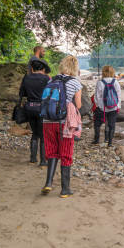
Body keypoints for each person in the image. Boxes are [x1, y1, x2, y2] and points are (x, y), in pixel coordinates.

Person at [41, 55, 82, 198]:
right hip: (64, 123)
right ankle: (65, 189)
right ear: (75, 67)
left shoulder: (52, 79)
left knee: (52, 152)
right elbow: (78, 105)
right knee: (65, 153)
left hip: (47, 121)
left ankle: (48, 183)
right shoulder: (75, 82)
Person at [18, 60, 50, 165]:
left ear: (32, 69)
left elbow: (21, 93)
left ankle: (33, 158)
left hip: (30, 108)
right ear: (43, 69)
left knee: (35, 133)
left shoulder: (26, 78)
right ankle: (43, 161)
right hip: (42, 108)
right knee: (43, 136)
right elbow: (50, 93)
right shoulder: (46, 78)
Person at [93, 65, 122, 147]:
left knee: (97, 124)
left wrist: (99, 106)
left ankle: (96, 140)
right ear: (112, 72)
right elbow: (119, 95)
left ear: (103, 72)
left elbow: (97, 97)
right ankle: (110, 143)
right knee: (111, 125)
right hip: (114, 107)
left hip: (103, 108)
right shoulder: (115, 82)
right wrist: (118, 106)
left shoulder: (100, 82)